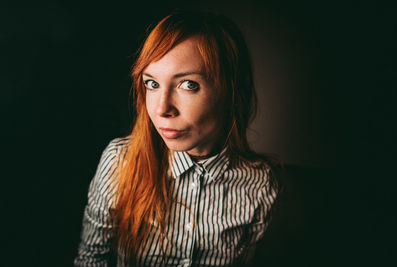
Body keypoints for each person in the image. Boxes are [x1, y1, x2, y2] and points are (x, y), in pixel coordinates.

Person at [74, 10, 279, 267]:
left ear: (233, 88)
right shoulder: (120, 161)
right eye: (152, 84)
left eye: (188, 85)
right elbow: (91, 260)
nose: (161, 109)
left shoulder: (260, 183)